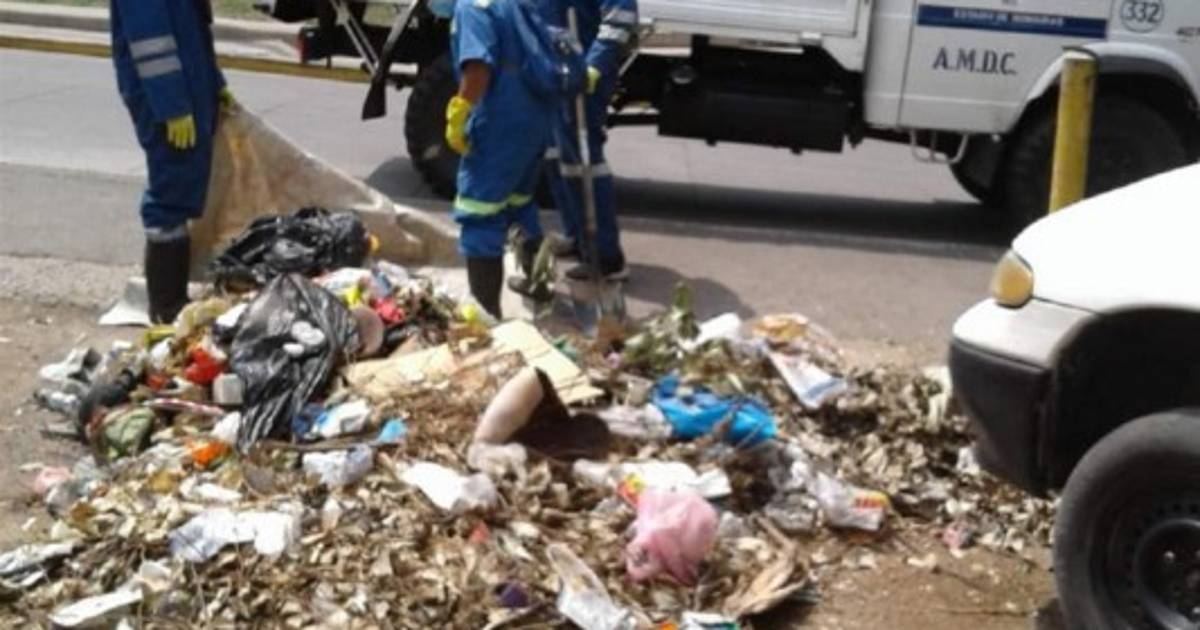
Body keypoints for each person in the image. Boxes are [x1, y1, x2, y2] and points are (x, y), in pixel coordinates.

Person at [110, 0, 232, 324]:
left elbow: (195, 29)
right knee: (171, 193)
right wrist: (172, 105)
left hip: (188, 88)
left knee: (185, 185)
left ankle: (173, 303)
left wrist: (215, 84)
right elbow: (149, 39)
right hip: (165, 96)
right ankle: (167, 306)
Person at [435, 0, 556, 318]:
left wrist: (459, 111)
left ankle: (486, 315)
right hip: (535, 117)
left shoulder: (472, 8)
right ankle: (539, 283)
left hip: (501, 120)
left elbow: (478, 68)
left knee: (479, 213)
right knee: (519, 203)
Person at [540, 0, 637, 282]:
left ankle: (606, 257)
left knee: (583, 162)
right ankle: (578, 236)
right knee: (556, 155)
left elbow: (620, 17)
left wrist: (594, 65)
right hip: (554, 71)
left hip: (583, 73)